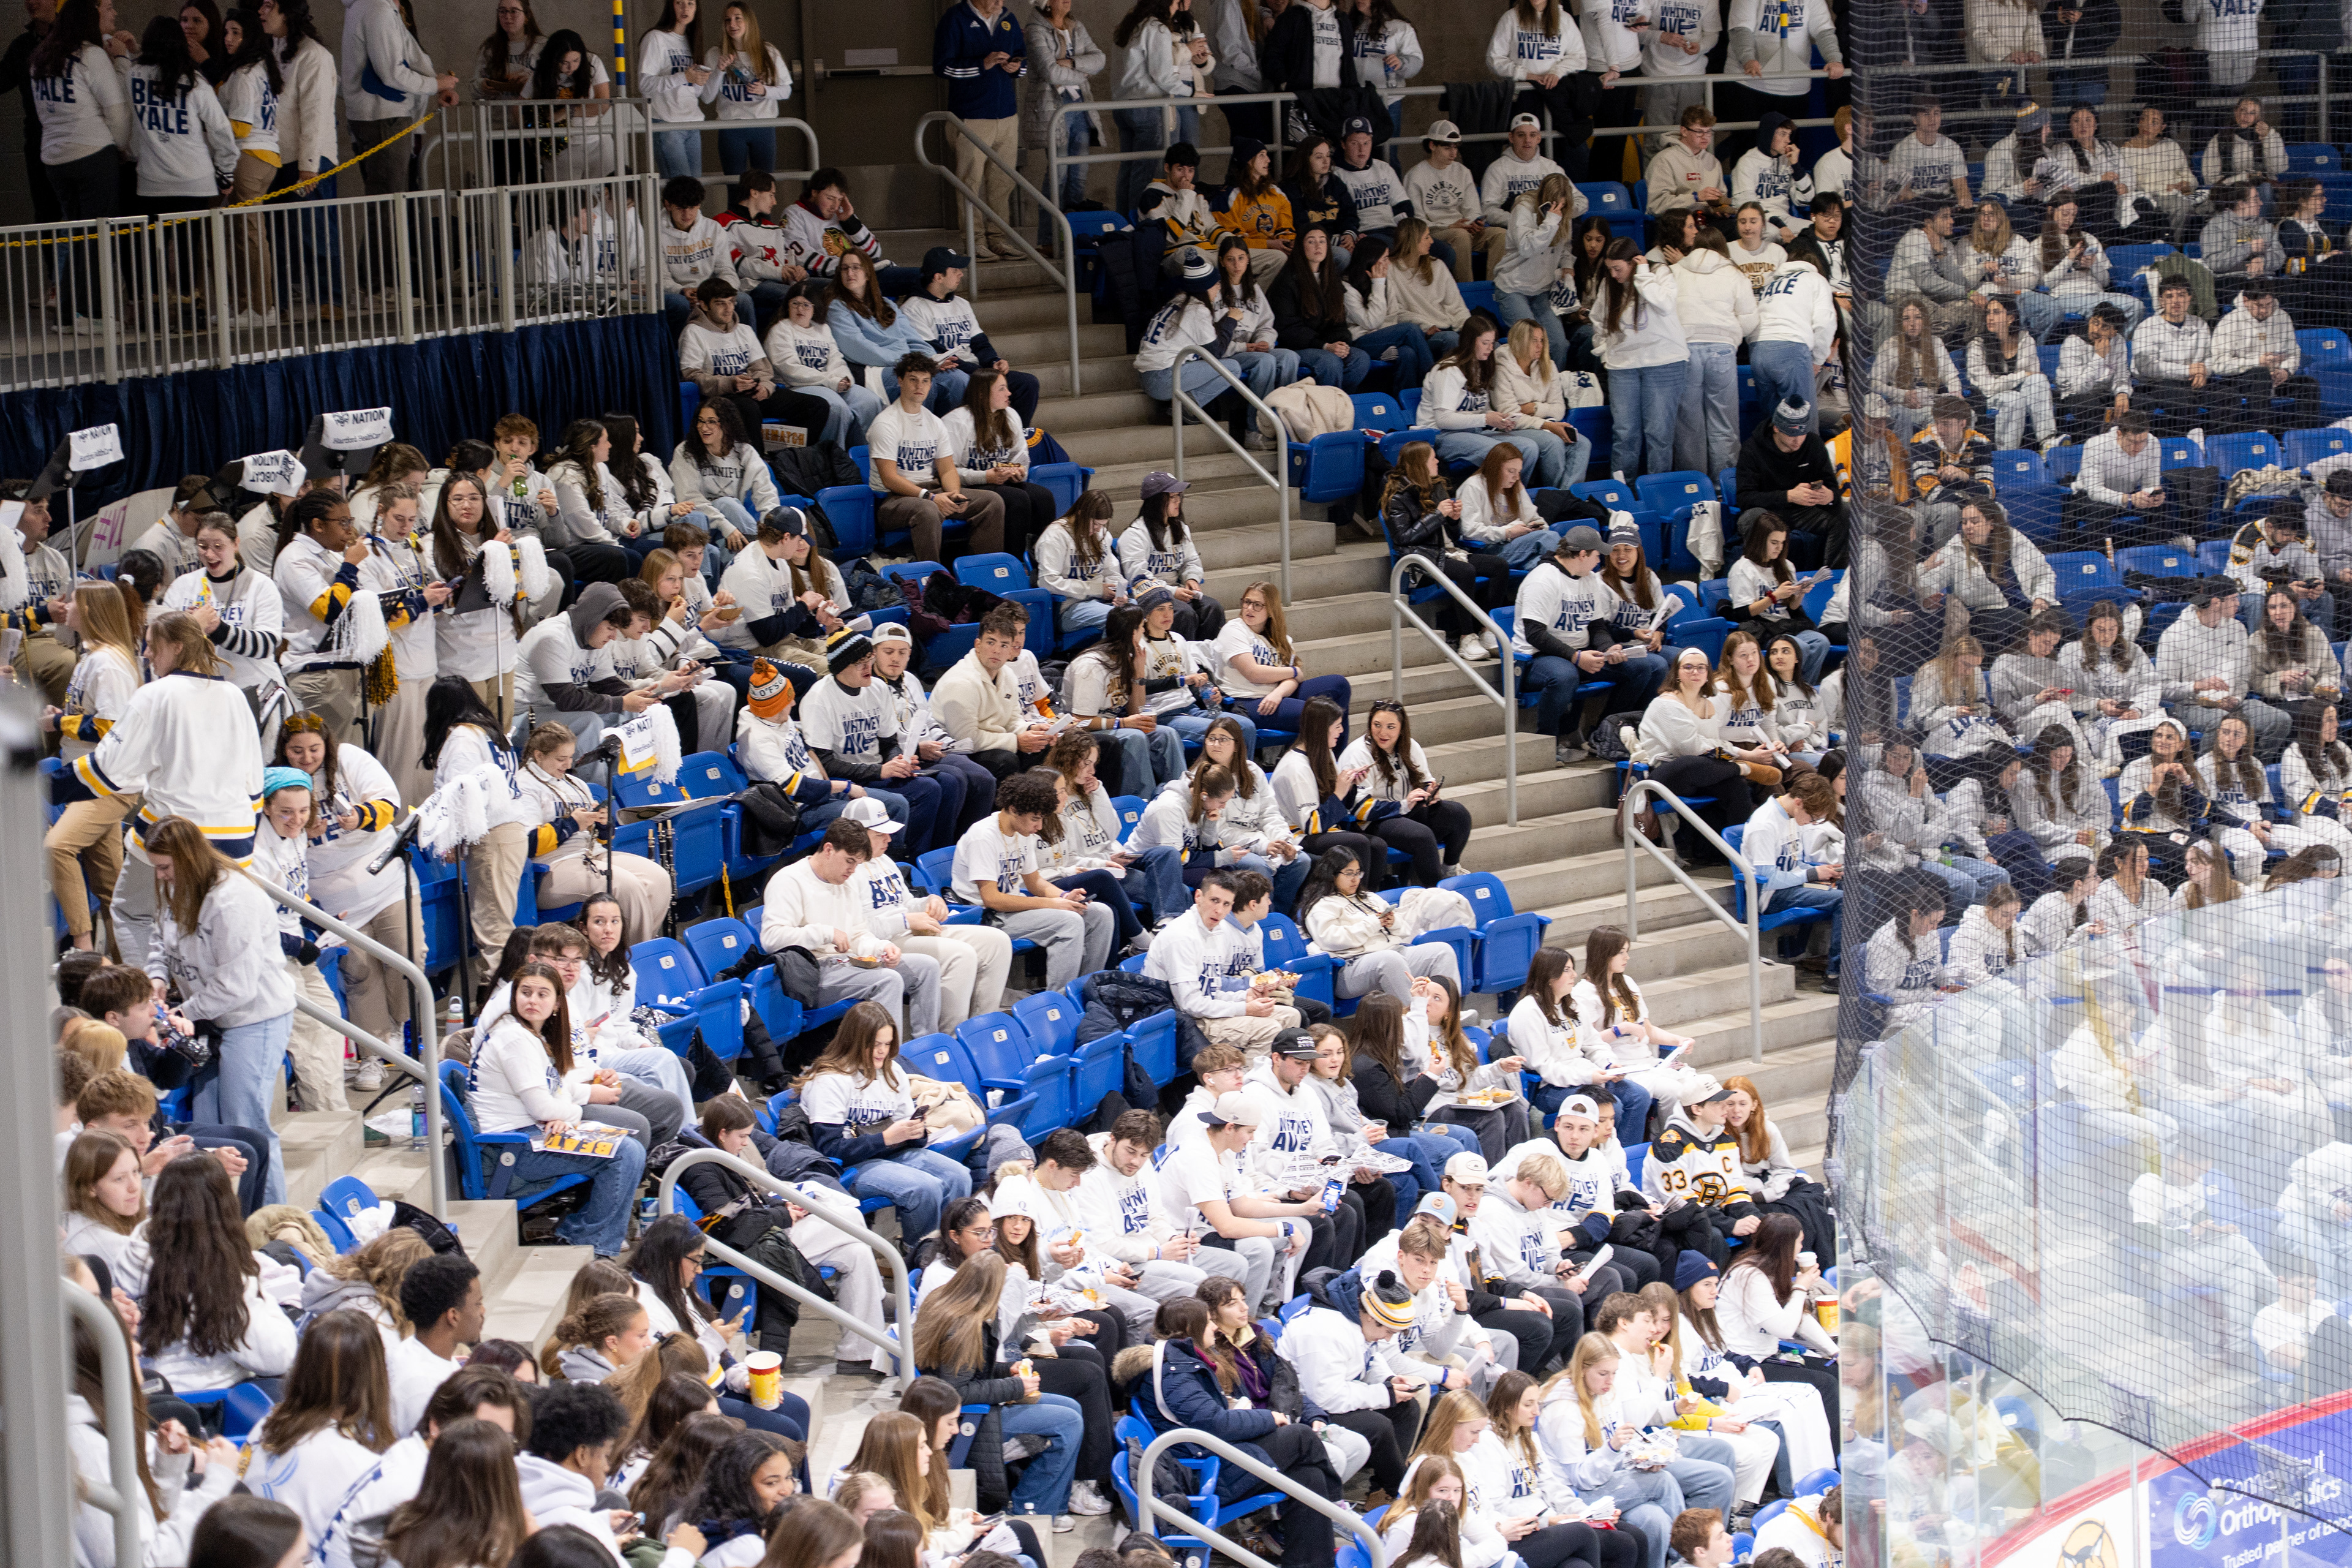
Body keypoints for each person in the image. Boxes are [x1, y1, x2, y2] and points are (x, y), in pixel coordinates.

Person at [911, 1250, 1088, 1524]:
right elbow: (958, 1392)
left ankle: (1051, 1502)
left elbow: (968, 1371)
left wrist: (1008, 1370)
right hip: (965, 1418)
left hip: (960, 1406)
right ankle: (1033, 1508)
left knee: (1072, 1406)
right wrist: (1015, 1386)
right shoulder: (964, 1327)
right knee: (1069, 1422)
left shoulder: (950, 1305)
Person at [43, 579, 143, 954]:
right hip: (89, 780)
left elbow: (111, 728)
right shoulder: (94, 657)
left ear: (87, 610)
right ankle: (124, 965)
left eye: (72, 602)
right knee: (110, 886)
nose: (65, 607)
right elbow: (94, 717)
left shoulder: (107, 663)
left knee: (56, 847)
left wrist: (58, 722)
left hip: (105, 784)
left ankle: (83, 948)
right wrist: (65, 715)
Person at [1517, 527, 1667, 764]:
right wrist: (1576, 657)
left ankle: (1605, 734)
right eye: (1598, 555)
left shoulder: (1588, 579)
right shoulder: (1543, 580)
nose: (1600, 561)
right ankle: (1546, 742)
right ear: (1582, 555)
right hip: (1537, 657)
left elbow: (1597, 627)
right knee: (1565, 676)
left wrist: (1609, 648)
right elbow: (1535, 634)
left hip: (1580, 653)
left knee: (1642, 667)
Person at [1632, 647, 1779, 867]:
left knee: (1735, 786)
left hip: (1702, 771)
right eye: (1688, 667)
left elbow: (1714, 745)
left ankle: (1736, 858)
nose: (1695, 672)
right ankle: (1744, 768)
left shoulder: (1708, 703)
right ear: (1677, 673)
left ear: (1708, 674)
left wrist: (1736, 754)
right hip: (1665, 774)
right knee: (1692, 762)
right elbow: (1690, 748)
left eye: (1701, 668)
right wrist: (1742, 759)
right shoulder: (1665, 704)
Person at [866, 352, 1011, 564]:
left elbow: (947, 469)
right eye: (913, 380)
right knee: (928, 510)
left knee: (992, 501)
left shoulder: (934, 422)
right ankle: (934, 575)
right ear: (900, 381)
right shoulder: (886, 423)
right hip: (891, 500)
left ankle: (983, 570)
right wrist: (931, 498)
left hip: (931, 491)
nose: (920, 386)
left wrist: (954, 495)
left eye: (925, 381)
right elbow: (889, 479)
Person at [1381, 441, 1514, 662]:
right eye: (1432, 458)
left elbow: (1451, 534)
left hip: (1446, 551)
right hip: (1420, 559)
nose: (1437, 461)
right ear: (1420, 464)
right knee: (1466, 571)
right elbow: (1403, 538)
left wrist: (1453, 520)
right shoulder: (1397, 497)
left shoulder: (1437, 487)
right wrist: (1438, 515)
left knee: (1499, 566)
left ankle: (1486, 629)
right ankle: (1466, 637)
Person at [930, 0, 1027, 260]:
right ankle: (975, 241)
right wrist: (982, 64)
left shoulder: (1008, 18)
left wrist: (1016, 67)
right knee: (970, 182)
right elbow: (942, 67)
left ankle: (998, 238)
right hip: (971, 116)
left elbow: (1023, 58)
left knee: (1003, 182)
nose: (999, 3)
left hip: (1007, 115)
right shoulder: (955, 19)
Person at [2158, 582, 2291, 761]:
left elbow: (2243, 678)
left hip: (2233, 704)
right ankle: (2206, 773)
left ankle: (2253, 767)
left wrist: (2236, 698)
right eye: (2233, 599)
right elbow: (2165, 689)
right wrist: (2197, 686)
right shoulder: (2173, 635)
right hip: (2190, 706)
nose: (2238, 604)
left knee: (2280, 720)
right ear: (2216, 602)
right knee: (2221, 722)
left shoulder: (2237, 629)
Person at [1425, 320, 1565, 488]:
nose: (1491, 349)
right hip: (1443, 435)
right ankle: (1499, 497)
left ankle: (1516, 494)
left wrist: (1500, 420)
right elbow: (1443, 419)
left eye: (1492, 343)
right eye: (1485, 343)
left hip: (1475, 431)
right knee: (1503, 454)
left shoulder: (1480, 367)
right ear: (1470, 342)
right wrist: (1486, 419)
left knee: (1528, 447)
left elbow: (1480, 408)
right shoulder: (1448, 370)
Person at [1719, 0, 1841, 173]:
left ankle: (1783, 188)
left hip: (1794, 86)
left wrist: (1834, 59)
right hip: (1750, 83)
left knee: (1788, 150)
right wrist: (1748, 59)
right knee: (1748, 146)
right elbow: (1741, 27)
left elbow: (1823, 29)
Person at [764, 280, 885, 448]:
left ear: (815, 308)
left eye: (806, 305)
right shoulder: (780, 330)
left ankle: (862, 455)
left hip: (829, 383)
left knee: (870, 401)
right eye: (795, 304)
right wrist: (831, 381)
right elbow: (790, 369)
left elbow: (836, 358)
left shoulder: (823, 329)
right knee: (836, 407)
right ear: (788, 306)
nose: (800, 309)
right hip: (797, 386)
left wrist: (844, 379)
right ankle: (834, 456)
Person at [1023, 0, 1105, 226]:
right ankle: (1048, 236)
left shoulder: (1076, 26)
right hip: (1054, 107)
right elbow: (1050, 73)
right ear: (1047, 3)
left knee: (1079, 174)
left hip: (1080, 107)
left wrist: (1071, 63)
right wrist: (1083, 74)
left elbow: (1100, 59)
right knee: (1058, 175)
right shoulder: (1035, 30)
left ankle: (1073, 233)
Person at [2211, 280, 2321, 426]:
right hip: (2240, 381)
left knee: (2309, 385)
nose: (2264, 311)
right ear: (2245, 301)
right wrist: (2258, 362)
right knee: (2260, 375)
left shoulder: (2282, 317)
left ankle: (2304, 434)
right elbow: (2218, 365)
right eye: (2259, 306)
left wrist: (2286, 371)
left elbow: (2293, 353)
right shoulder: (2228, 322)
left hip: (2275, 379)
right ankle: (2263, 430)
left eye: (2268, 305)